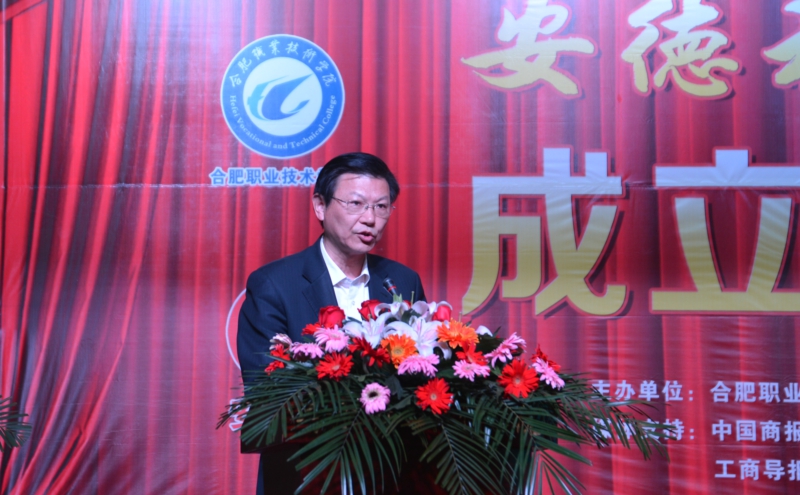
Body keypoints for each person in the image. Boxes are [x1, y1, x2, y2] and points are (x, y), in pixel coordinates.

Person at [237, 152, 426, 495]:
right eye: (356, 204)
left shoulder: (401, 281)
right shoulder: (274, 284)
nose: (370, 218)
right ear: (320, 206)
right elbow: (268, 391)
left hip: (393, 475)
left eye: (381, 207)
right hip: (305, 474)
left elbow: (423, 372)